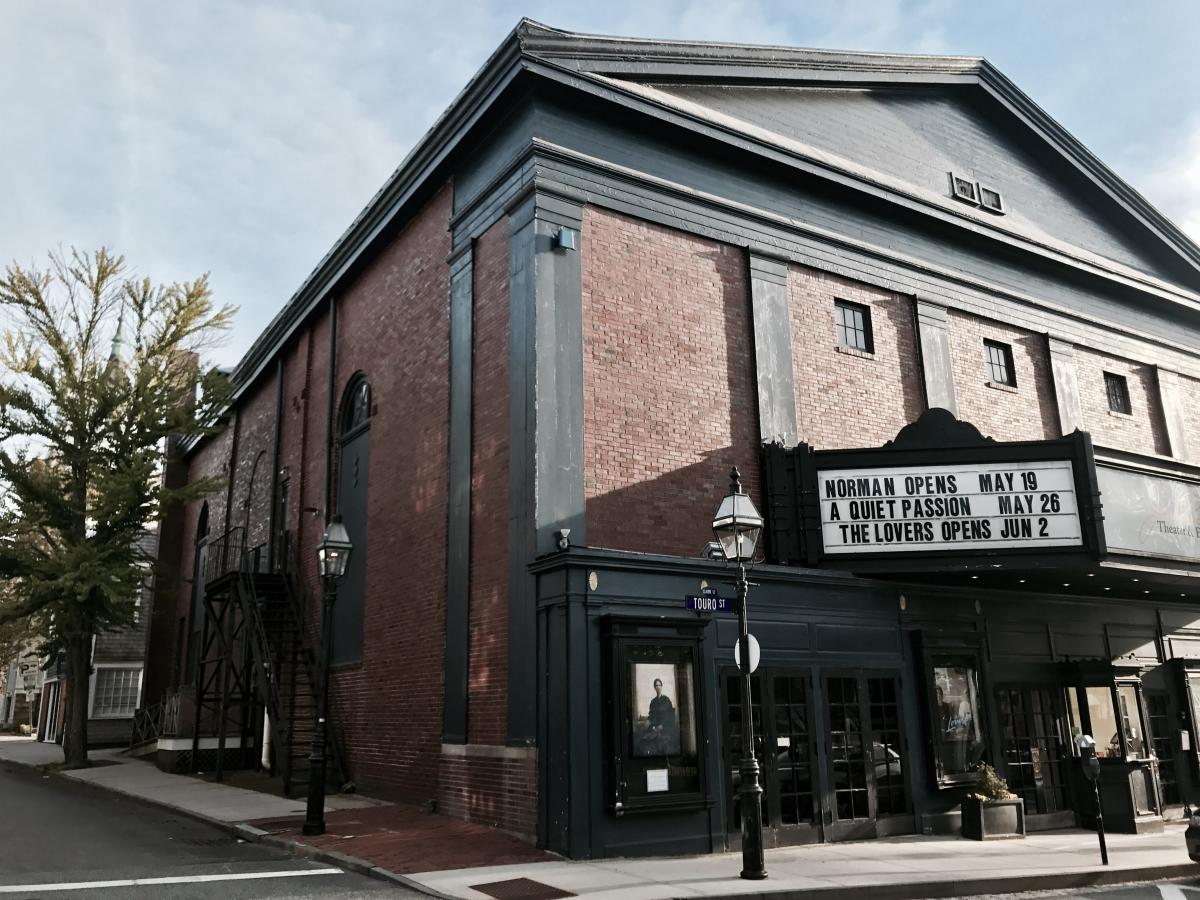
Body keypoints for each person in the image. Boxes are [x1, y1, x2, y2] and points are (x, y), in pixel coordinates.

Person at [648, 678, 680, 755]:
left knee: (665, 742)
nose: (658, 687)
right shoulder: (653, 702)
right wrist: (653, 727)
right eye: (656, 685)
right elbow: (651, 717)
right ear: (654, 688)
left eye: (659, 685)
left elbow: (670, 715)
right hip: (655, 727)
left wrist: (662, 725)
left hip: (666, 726)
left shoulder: (666, 700)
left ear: (661, 686)